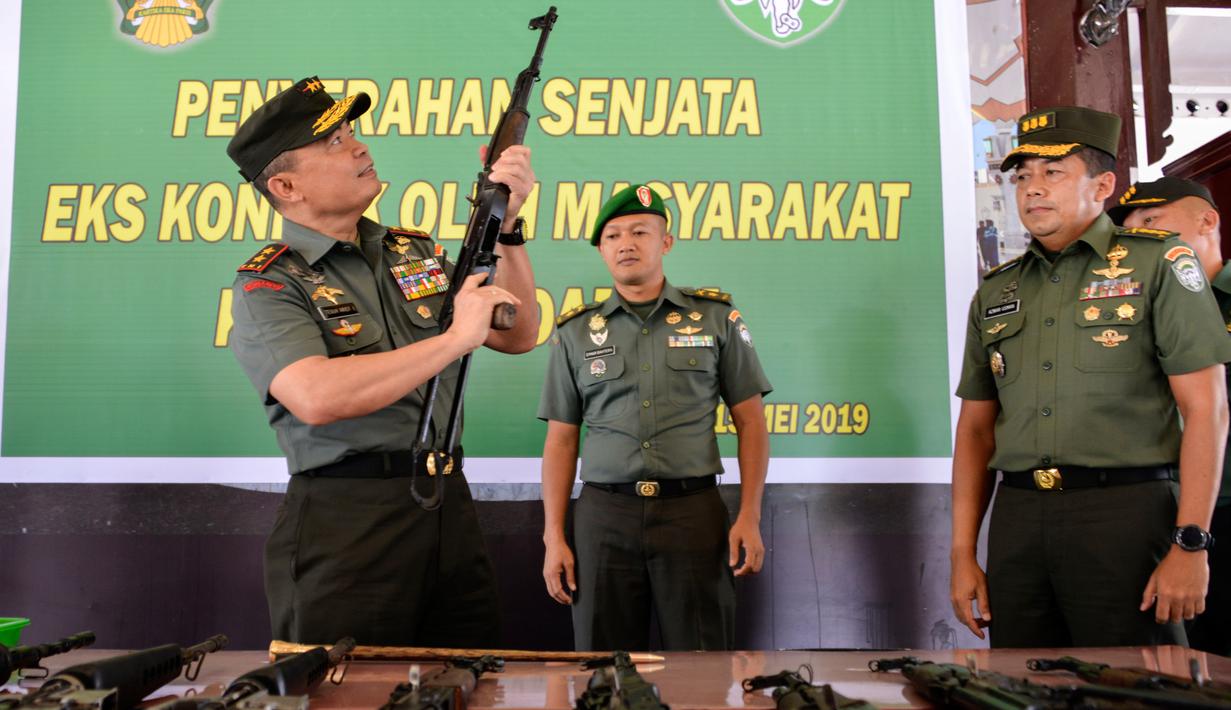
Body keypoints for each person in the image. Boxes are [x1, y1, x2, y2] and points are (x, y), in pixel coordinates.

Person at [226, 76, 538, 646]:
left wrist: (509, 226)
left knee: (468, 681)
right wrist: (450, 341)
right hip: (347, 522)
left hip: (447, 506)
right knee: (345, 691)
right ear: (285, 185)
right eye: (333, 143)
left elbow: (517, 333)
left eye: (351, 133)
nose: (359, 147)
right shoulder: (271, 282)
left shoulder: (413, 251)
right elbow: (316, 396)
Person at [948, 106, 1231, 648]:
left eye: (1053, 173)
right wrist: (963, 553)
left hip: (1124, 515)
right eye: (1023, 176)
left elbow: (1206, 410)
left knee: (1134, 686)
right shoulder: (996, 291)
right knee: (1022, 685)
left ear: (1102, 184)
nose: (1033, 189)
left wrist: (1191, 543)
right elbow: (976, 430)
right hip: (1019, 518)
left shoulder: (1160, 263)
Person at [537, 184, 772, 651]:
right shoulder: (575, 332)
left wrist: (749, 515)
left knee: (703, 672)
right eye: (614, 235)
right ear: (602, 250)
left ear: (665, 242)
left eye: (640, 231)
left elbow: (751, 422)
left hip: (693, 514)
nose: (627, 243)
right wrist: (553, 537)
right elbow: (562, 441)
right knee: (604, 675)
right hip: (603, 518)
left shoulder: (716, 319)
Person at [1110, 176, 1229, 654]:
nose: (1138, 233)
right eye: (1130, 226)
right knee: (1161, 666)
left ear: (1207, 220)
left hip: (1220, 514)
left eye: (1152, 220)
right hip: (1148, 514)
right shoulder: (1124, 312)